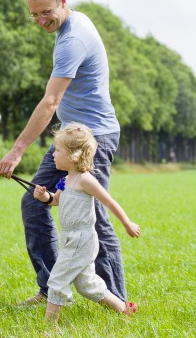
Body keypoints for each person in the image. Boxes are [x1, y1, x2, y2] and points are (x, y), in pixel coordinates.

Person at [0, 0, 126, 306]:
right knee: (34, 201)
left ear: (63, 1)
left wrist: (17, 149)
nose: (41, 21)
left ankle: (118, 301)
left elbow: (51, 101)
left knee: (94, 214)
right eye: (34, 15)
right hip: (70, 135)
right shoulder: (70, 25)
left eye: (46, 12)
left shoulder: (73, 39)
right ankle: (51, 285)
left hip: (93, 138)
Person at [32, 123, 140, 325]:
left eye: (58, 150)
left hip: (82, 239)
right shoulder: (65, 180)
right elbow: (56, 200)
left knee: (57, 279)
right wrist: (44, 196)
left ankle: (48, 328)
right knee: (87, 285)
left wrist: (127, 223)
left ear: (73, 155)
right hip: (70, 238)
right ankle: (124, 309)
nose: (53, 154)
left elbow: (109, 201)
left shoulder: (85, 180)